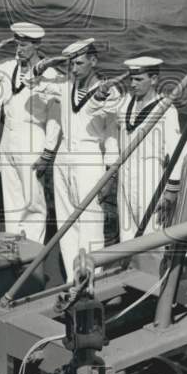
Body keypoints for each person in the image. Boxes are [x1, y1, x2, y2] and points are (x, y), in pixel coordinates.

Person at [0, 22, 61, 245]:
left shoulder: (51, 74)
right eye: (17, 44)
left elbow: (55, 117)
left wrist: (48, 151)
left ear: (37, 45)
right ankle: (13, 241)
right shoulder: (10, 67)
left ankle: (33, 246)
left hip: (32, 135)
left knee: (32, 197)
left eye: (24, 45)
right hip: (8, 134)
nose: (19, 49)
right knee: (12, 193)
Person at [50, 39, 122, 281]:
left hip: (88, 157)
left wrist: (110, 172)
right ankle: (72, 278)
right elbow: (33, 82)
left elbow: (111, 134)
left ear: (93, 61)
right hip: (63, 155)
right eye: (71, 64)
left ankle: (92, 278)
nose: (74, 69)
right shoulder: (66, 85)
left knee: (90, 220)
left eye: (79, 63)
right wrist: (52, 62)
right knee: (66, 220)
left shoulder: (109, 91)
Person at [116, 56, 186, 242]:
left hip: (150, 177)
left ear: (154, 79)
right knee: (126, 235)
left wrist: (171, 191)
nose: (133, 84)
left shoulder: (166, 110)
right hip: (125, 176)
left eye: (139, 79)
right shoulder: (125, 103)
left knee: (151, 237)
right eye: (131, 79)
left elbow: (176, 152)